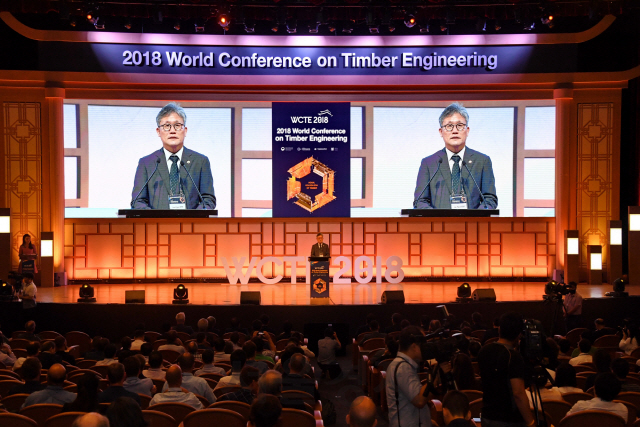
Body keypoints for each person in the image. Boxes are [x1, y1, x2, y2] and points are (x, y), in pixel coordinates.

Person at [131, 102, 216, 210]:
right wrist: (154, 218)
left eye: (177, 125)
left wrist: (193, 218)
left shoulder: (200, 161)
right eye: (166, 126)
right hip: (156, 225)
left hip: (190, 225)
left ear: (185, 131)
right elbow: (138, 201)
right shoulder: (146, 163)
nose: (172, 131)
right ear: (158, 131)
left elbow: (208, 200)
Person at [413, 103, 497, 210]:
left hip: (472, 225)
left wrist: (474, 218)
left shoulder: (482, 161)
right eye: (449, 126)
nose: (454, 130)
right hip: (438, 225)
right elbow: (420, 201)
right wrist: (437, 218)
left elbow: (489, 199)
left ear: (467, 131)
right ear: (441, 132)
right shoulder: (429, 163)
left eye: (460, 125)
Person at [477, 312, 534, 427]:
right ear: (519, 335)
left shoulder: (484, 350)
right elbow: (518, 393)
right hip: (509, 419)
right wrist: (531, 422)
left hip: (487, 415)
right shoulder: (513, 356)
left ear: (499, 330)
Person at [385, 326, 431, 427]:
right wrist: (434, 376)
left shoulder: (404, 365)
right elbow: (419, 401)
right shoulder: (403, 368)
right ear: (414, 347)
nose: (426, 348)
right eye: (423, 345)